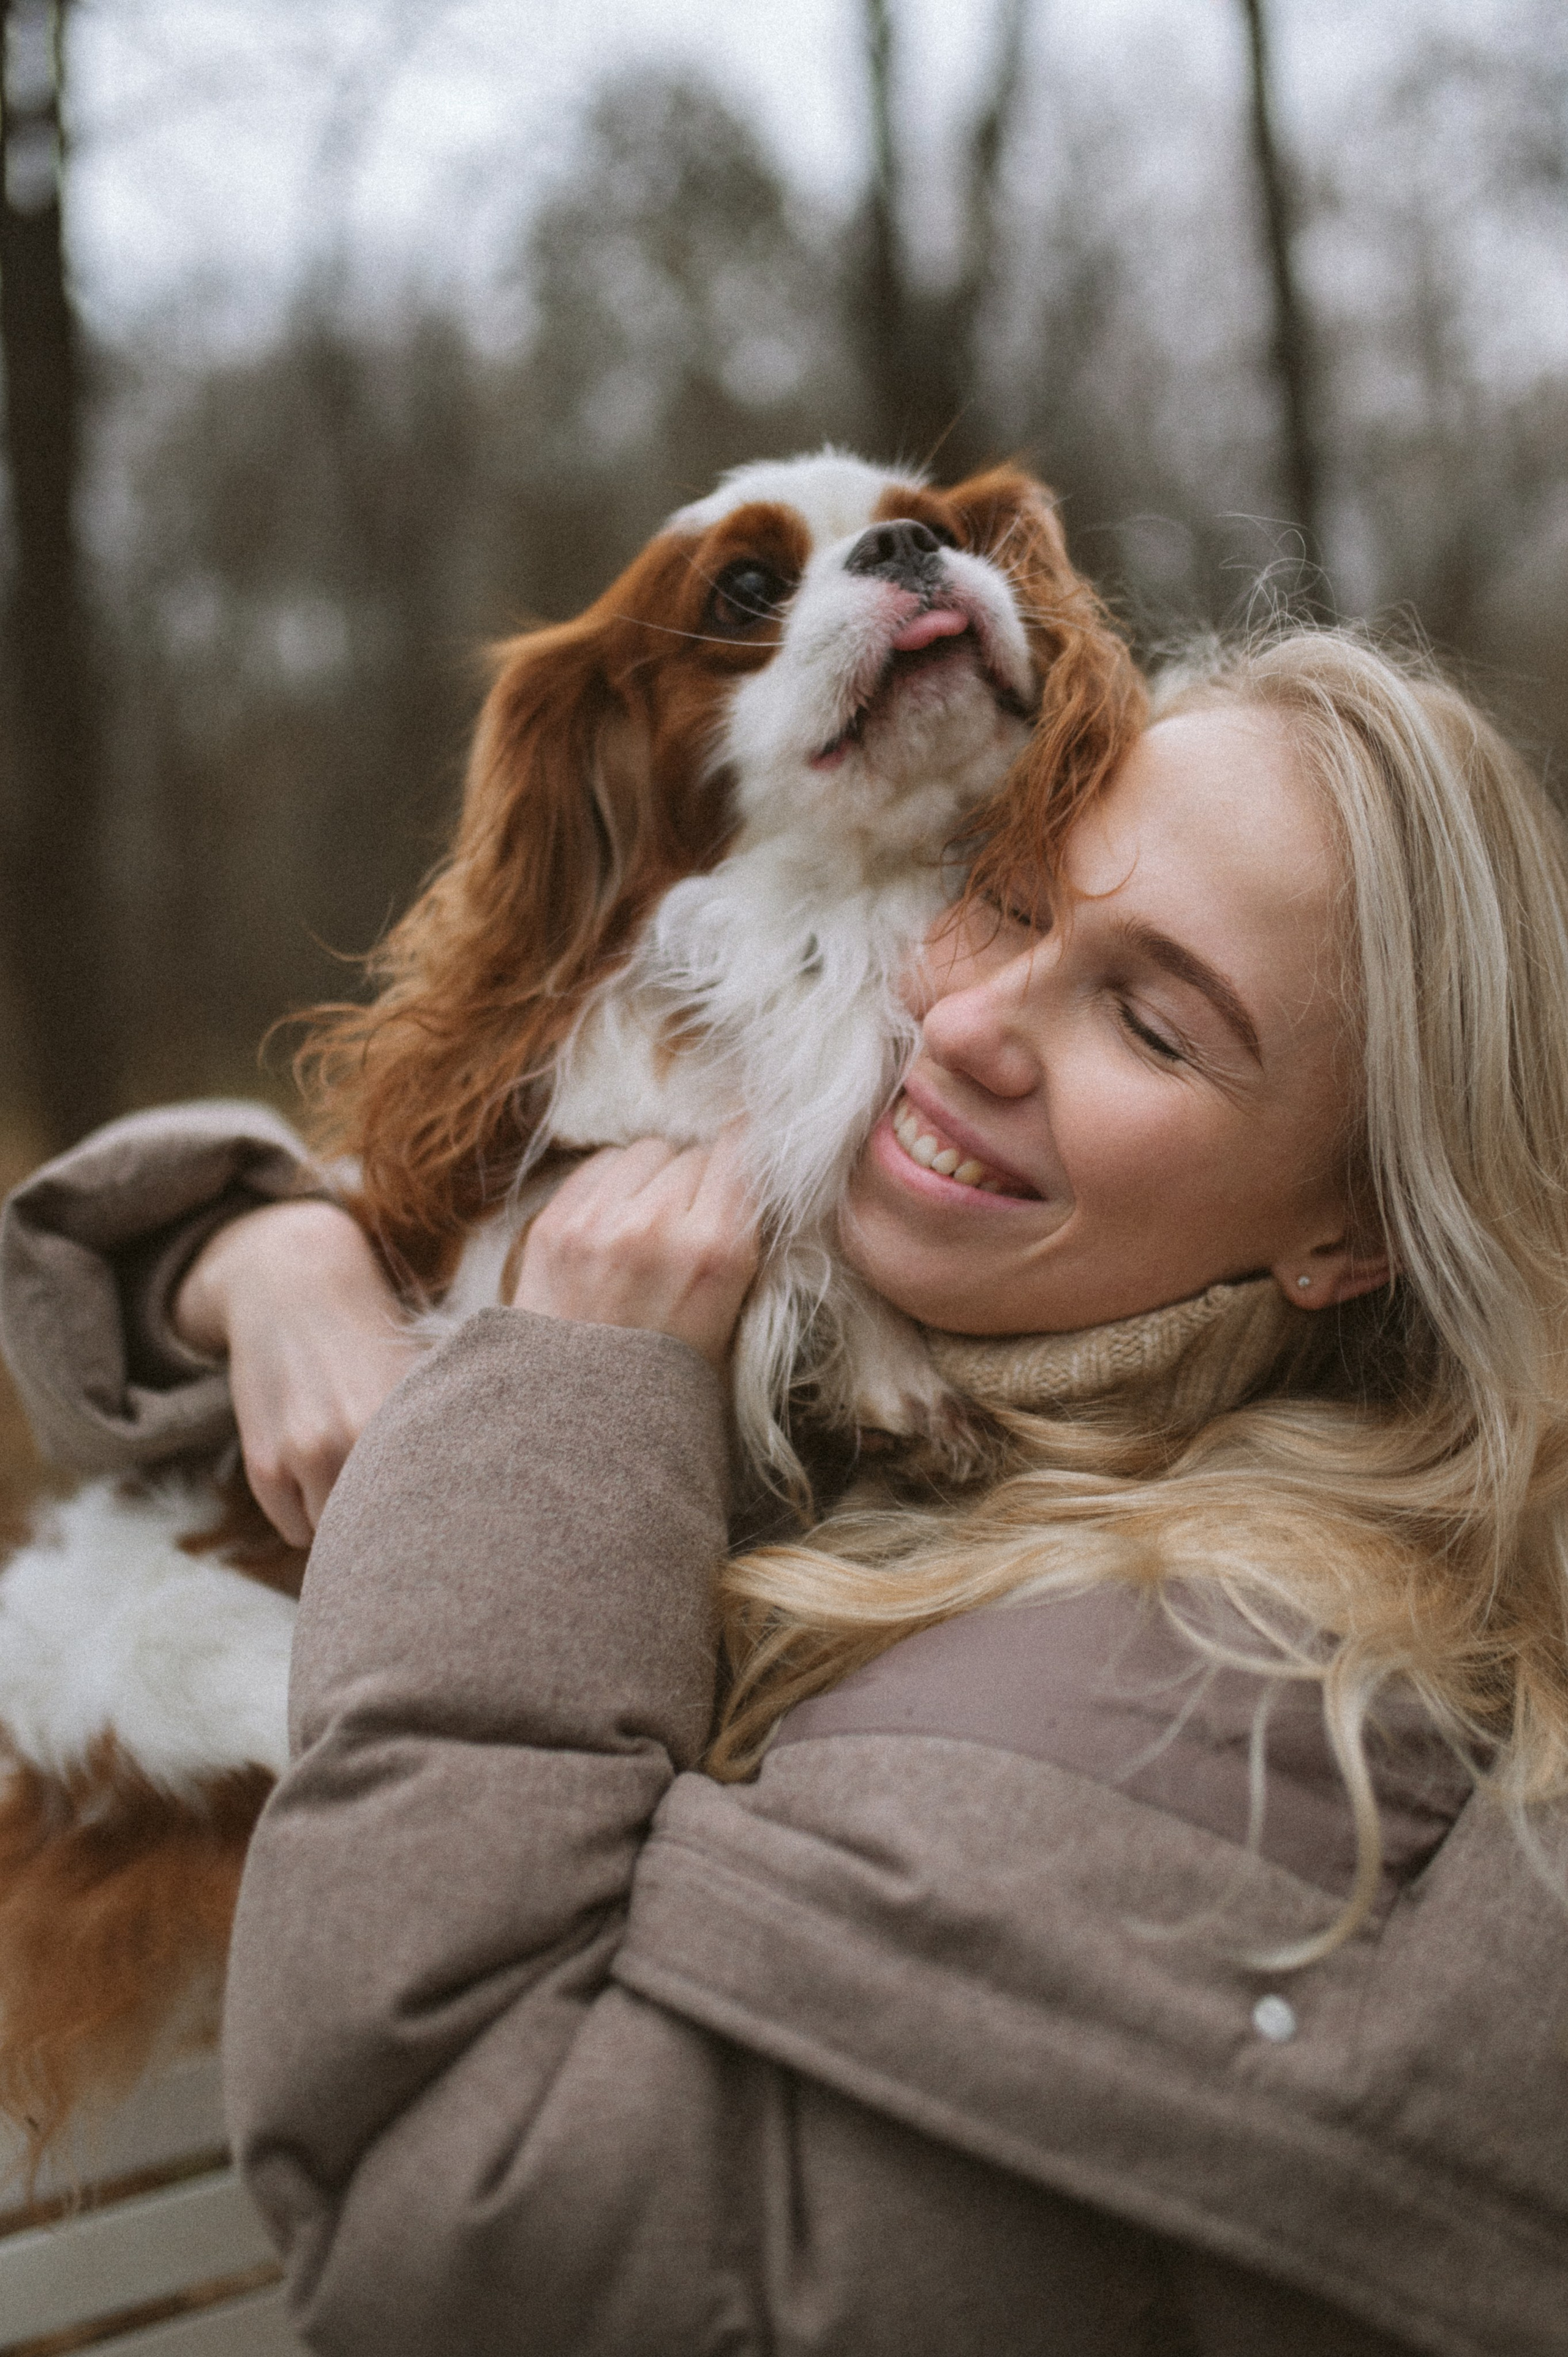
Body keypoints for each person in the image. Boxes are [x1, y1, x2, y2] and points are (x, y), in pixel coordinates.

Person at [3, 627, 1567, 2355]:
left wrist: (562, 1408)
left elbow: (457, 2231)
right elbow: (93, 1281)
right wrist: (270, 1249)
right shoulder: (952, 1374)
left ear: (1345, 1230)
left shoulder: (1206, 1690)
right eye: (1007, 896)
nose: (969, 1024)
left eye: (1150, 1021)